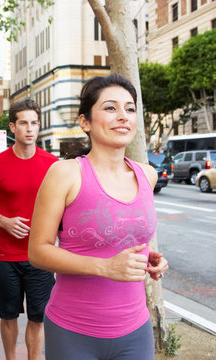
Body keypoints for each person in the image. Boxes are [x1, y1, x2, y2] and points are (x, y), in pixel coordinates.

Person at [28, 73, 169, 360]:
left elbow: (126, 235)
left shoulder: (148, 175)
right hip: (73, 331)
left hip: (136, 329)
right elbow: (37, 251)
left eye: (130, 109)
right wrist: (105, 267)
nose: (123, 116)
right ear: (85, 122)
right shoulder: (65, 173)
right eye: (110, 108)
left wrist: (152, 258)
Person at [0, 98, 57, 360]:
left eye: (34, 123)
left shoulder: (52, 165)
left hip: (41, 255)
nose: (29, 128)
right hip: (4, 257)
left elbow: (62, 209)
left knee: (38, 318)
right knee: (7, 316)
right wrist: (4, 221)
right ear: (12, 127)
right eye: (23, 123)